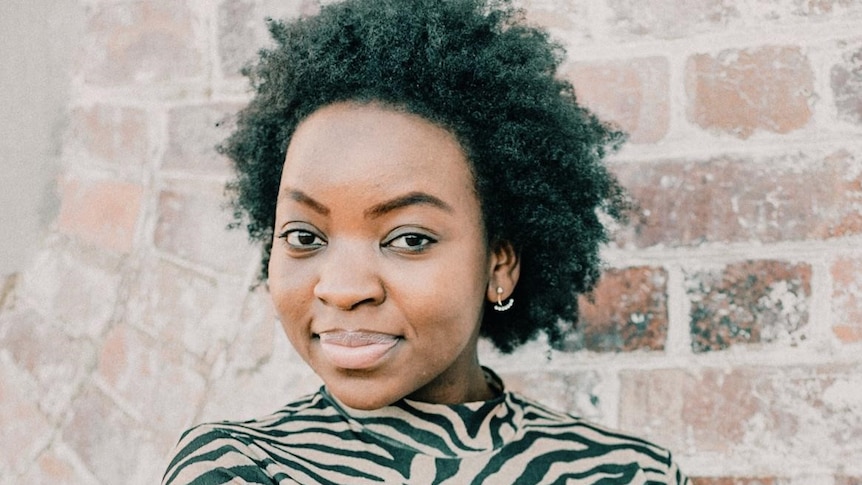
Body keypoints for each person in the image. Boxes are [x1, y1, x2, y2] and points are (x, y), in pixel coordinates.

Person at [162, 0, 690, 483]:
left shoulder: (632, 474)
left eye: (408, 239)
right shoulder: (237, 469)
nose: (344, 288)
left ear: (499, 263)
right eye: (304, 235)